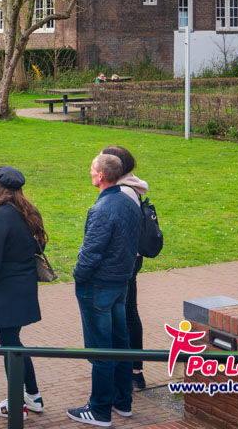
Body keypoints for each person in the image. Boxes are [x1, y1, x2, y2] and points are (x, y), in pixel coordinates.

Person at [67, 154, 142, 428]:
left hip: (98, 286)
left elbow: (91, 252)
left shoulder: (102, 209)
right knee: (121, 342)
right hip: (121, 282)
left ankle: (99, 409)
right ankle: (122, 402)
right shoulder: (130, 201)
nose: (90, 174)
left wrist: (78, 277)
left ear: (100, 177)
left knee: (101, 349)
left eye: (92, 171)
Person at [0, 166, 46, 420]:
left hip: (4, 291)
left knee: (10, 346)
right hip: (24, 287)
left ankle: (17, 404)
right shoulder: (27, 212)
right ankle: (33, 396)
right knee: (14, 344)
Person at [102, 145, 149, 391]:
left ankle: (134, 371)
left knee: (127, 313)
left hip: (127, 259)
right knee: (128, 311)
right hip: (131, 258)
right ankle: (131, 369)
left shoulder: (125, 191)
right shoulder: (130, 186)